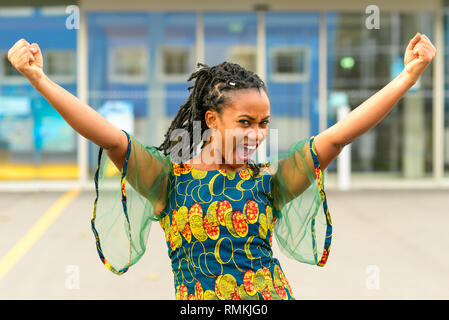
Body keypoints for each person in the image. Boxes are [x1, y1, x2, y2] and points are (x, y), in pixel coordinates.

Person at [7, 32, 436, 300]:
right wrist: (39, 79)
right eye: (245, 122)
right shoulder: (167, 181)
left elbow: (340, 135)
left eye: (264, 123)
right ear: (212, 120)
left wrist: (407, 77)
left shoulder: (270, 183)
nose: (257, 133)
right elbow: (105, 135)